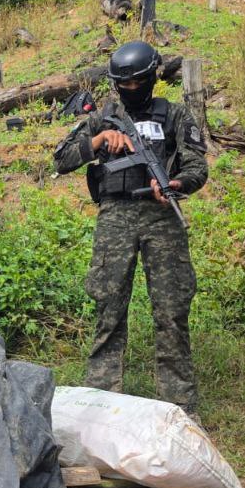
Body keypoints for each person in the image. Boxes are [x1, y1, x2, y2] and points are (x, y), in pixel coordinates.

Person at [52, 40, 208, 415]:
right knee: (108, 305)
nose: (133, 89)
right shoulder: (102, 118)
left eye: (139, 82)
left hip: (161, 218)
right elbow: (60, 159)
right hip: (115, 217)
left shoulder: (175, 115)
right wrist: (98, 141)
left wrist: (176, 184)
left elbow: (197, 166)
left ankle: (178, 405)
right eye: (125, 84)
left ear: (153, 78)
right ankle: (100, 399)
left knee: (171, 309)